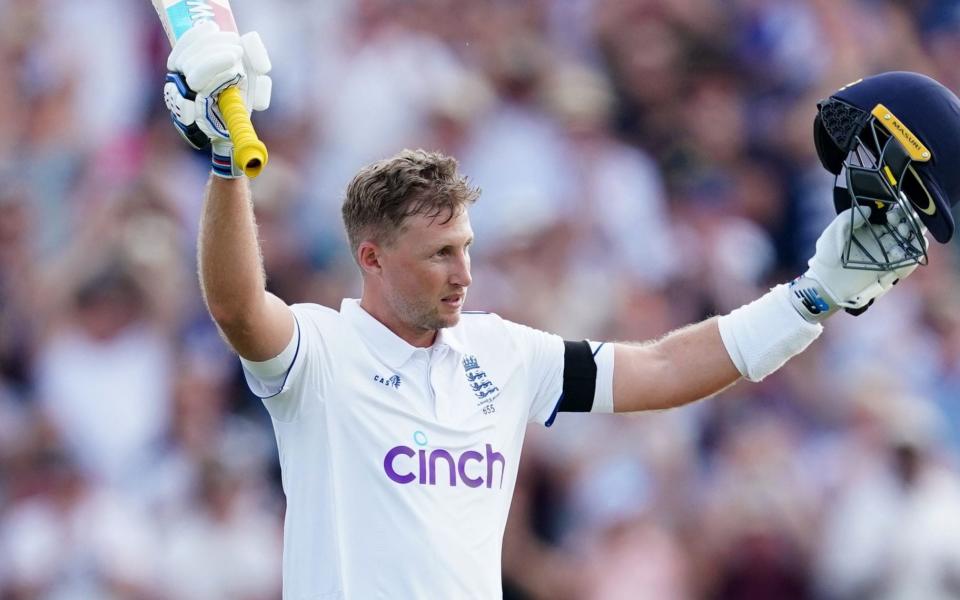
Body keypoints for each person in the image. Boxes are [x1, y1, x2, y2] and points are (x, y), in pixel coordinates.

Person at [163, 23, 959, 599]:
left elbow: (665, 366)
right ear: (372, 257)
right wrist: (229, 165)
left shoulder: (503, 356)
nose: (464, 273)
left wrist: (812, 297)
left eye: (467, 247)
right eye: (440, 254)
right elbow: (237, 304)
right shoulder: (320, 353)